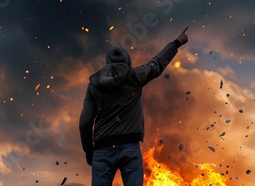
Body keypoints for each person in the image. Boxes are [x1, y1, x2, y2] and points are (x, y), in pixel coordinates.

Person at [79, 27, 189, 186]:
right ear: (127, 62)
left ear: (107, 64)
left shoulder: (94, 86)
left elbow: (85, 124)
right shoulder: (135, 77)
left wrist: (90, 153)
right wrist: (176, 43)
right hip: (129, 147)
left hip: (102, 150)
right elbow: (156, 64)